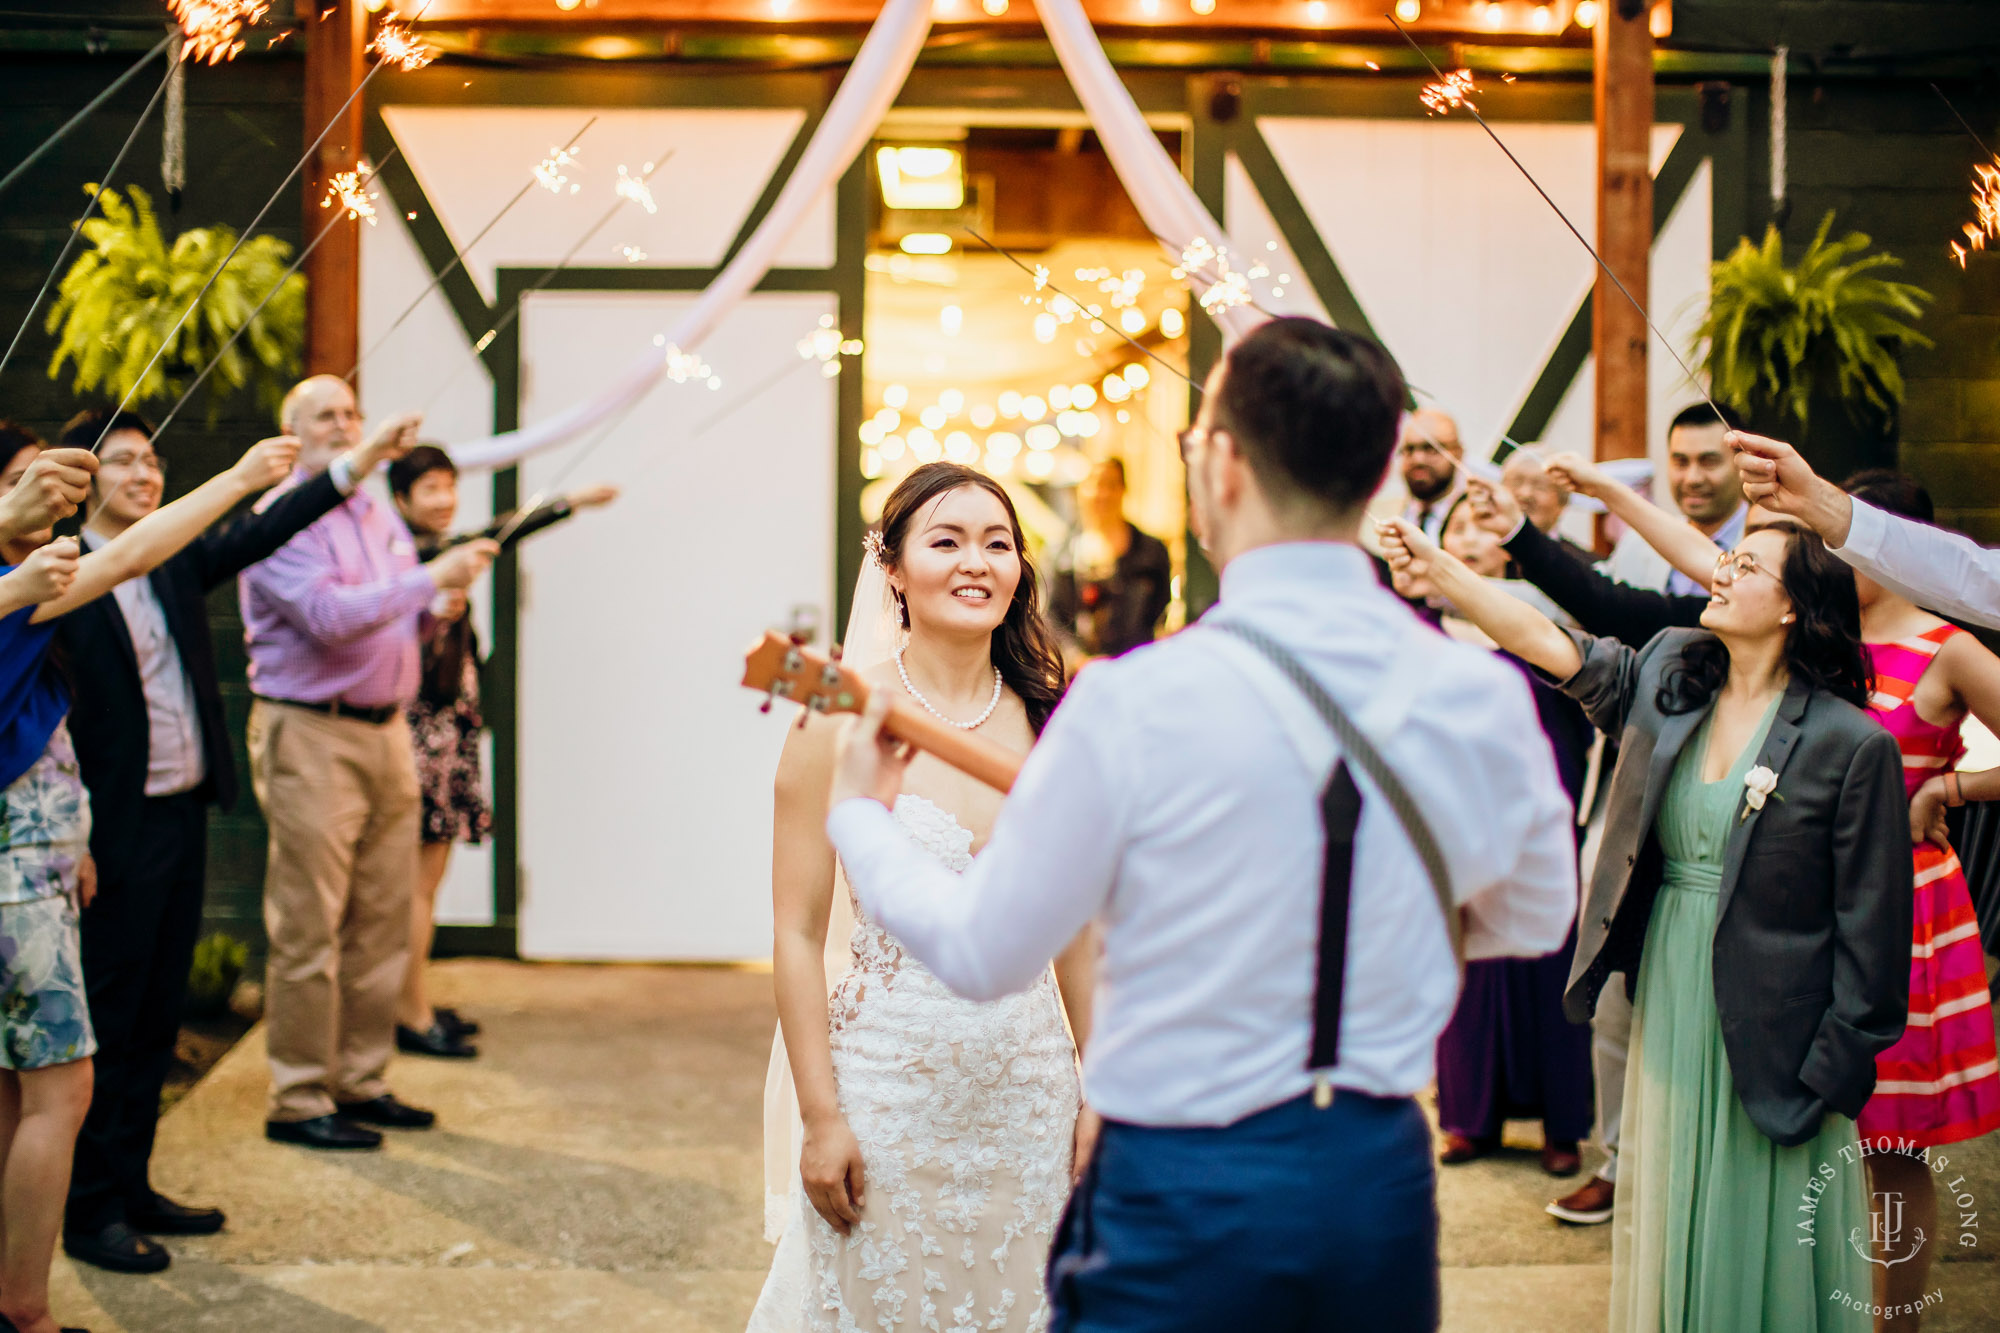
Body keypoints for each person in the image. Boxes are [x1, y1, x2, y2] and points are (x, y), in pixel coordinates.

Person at [823, 319, 1578, 1330]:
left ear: (1221, 465)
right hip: (1373, 1178)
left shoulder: (1131, 702)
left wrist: (861, 818)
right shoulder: (1476, 694)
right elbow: (1533, 917)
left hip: (1176, 1171)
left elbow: (981, 950)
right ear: (1378, 472)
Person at [1381, 510, 1912, 1332]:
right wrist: (1442, 566)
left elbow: (1873, 938)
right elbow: (1546, 639)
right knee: (1675, 1208)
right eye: (1726, 557)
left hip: (1781, 1031)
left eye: (1747, 564)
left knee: (1756, 1227)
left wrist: (1828, 1077)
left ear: (1793, 609)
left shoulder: (1852, 746)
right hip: (1671, 986)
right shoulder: (1671, 674)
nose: (1722, 570)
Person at [1546, 464, 2000, 1328]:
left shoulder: (1946, 645)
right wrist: (1613, 498)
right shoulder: (1806, 634)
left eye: (1838, 532)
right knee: (1781, 1127)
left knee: (1891, 1141)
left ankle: (1889, 1316)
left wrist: (1955, 789)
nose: (1817, 546)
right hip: (1786, 906)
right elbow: (1708, 559)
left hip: (1904, 910)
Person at [51, 406, 413, 1275]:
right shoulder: (61, 575)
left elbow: (268, 526)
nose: (145, 474)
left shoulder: (174, 557)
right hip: (113, 821)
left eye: (153, 460)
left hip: (182, 807)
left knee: (157, 1009)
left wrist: (351, 464)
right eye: (126, 461)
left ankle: (134, 1183)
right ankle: (89, 1207)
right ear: (84, 477)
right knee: (111, 1007)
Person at [749, 461, 1091, 1332]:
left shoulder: (1054, 717)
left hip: (1031, 1094)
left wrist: (1103, 1092)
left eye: (998, 542)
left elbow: (1079, 932)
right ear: (892, 568)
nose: (976, 561)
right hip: (887, 1094)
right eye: (946, 540)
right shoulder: (836, 715)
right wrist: (820, 1118)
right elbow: (794, 931)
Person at [0, 426, 306, 1333]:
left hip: (48, 860)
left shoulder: (27, 591)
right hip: (19, 881)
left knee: (20, 1093)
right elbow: (134, 547)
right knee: (61, 1090)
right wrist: (243, 476)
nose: (50, 500)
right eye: (26, 484)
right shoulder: (27, 596)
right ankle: (27, 1311)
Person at [240, 376, 498, 1152]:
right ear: (292, 433)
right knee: (311, 920)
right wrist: (430, 579)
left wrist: (431, 607)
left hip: (388, 731)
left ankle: (360, 1077)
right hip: (310, 730)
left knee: (384, 914)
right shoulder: (278, 520)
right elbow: (328, 617)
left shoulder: (372, 509)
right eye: (327, 415)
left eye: (350, 413)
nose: (345, 424)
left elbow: (391, 608)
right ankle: (298, 1093)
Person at [385, 445, 617, 1060]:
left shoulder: (430, 552)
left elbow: (497, 534)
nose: (442, 499)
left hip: (444, 729)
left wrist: (573, 502)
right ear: (400, 498)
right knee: (418, 886)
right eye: (428, 488)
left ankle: (415, 1002)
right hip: (423, 734)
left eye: (448, 486)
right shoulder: (411, 559)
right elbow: (494, 537)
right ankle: (407, 1013)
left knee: (424, 885)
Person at [1415, 496, 1594, 1179]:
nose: (1472, 536)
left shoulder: (1544, 622)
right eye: (1460, 526)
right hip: (1453, 813)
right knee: (1468, 967)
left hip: (1541, 802)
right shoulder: (1426, 631)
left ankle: (1561, 1123)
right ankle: (1469, 1115)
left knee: (1550, 962)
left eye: (1486, 526)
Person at [1736, 430, 2000, 631]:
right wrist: (1816, 501)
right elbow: (1970, 573)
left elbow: (1969, 577)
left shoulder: (1948, 649)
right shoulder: (1833, 630)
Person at [1603, 403, 1746, 595]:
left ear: (1743, 464)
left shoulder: (1770, 548)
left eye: (1709, 462)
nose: (1693, 478)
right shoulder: (1639, 541)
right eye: (1681, 462)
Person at [1047, 457, 1172, 671]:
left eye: (1110, 485)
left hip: (1135, 668)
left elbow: (1160, 606)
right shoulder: (1061, 552)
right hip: (1080, 673)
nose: (1102, 493)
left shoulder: (1151, 551)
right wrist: (1076, 658)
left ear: (1123, 490)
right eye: (1094, 485)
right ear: (1081, 491)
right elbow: (1051, 615)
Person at [1500, 447, 1593, 566]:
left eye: (1540, 486)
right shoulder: (1478, 557)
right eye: (1516, 482)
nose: (1525, 494)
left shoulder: (1582, 565)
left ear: (1563, 503)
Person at [1397, 406, 1463, 542]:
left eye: (1431, 448)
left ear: (1458, 452)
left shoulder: (1479, 522)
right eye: (1409, 449)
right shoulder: (1380, 516)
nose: (1418, 460)